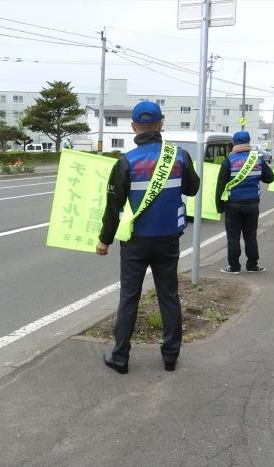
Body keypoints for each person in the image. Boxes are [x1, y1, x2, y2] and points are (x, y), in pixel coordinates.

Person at [96, 101, 199, 374]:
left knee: (129, 297)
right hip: (168, 239)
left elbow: (113, 206)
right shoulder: (179, 157)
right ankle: (170, 356)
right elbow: (192, 188)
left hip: (135, 241)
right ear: (161, 123)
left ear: (133, 128)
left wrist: (104, 240)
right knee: (169, 295)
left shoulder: (125, 162)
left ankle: (120, 357)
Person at [215, 131, 274, 274]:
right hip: (252, 204)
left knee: (233, 237)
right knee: (250, 236)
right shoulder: (258, 160)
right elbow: (269, 178)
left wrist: (219, 207)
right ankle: (252, 265)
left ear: (234, 144)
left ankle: (234, 267)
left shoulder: (228, 161)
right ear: (248, 142)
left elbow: (220, 186)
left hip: (233, 204)